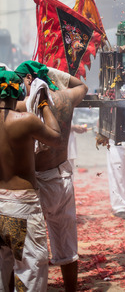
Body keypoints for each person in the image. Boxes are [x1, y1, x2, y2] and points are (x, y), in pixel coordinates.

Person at [15, 61, 88, 292]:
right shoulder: (64, 99)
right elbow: (82, 87)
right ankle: (70, 289)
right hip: (61, 178)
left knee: (31, 248)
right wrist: (51, 73)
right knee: (66, 240)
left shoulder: (20, 107)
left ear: (29, 79)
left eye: (20, 80)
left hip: (33, 183)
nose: (18, 86)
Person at [0, 69, 61, 291]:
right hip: (21, 207)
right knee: (30, 272)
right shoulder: (25, 120)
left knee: (2, 273)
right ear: (15, 93)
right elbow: (56, 137)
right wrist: (43, 104)